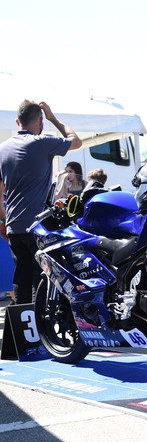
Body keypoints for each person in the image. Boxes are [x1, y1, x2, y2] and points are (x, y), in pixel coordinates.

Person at [0, 100, 82, 304]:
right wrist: (53, 118)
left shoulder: (2, 149)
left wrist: (3, 220)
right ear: (40, 121)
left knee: (21, 278)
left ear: (18, 122)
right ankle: (40, 322)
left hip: (14, 227)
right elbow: (75, 141)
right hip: (37, 226)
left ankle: (24, 320)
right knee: (41, 279)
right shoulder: (43, 142)